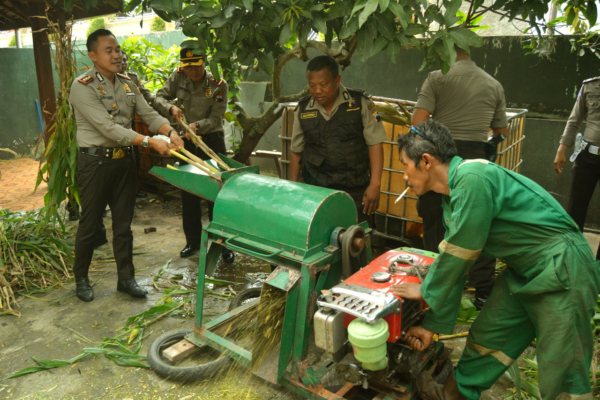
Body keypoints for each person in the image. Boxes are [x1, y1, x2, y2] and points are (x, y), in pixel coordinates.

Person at [391, 120, 600, 400]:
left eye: (405, 165)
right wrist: (431, 326)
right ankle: (454, 396)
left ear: (426, 161)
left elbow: (459, 254)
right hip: (524, 272)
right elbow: (457, 262)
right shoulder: (452, 199)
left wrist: (425, 289)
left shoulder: (472, 176)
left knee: (562, 369)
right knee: (486, 339)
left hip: (563, 266)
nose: (404, 175)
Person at [70, 29, 184, 302]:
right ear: (93, 55)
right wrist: (149, 142)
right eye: (109, 50)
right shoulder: (82, 86)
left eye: (118, 49)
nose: (116, 55)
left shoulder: (127, 83)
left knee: (123, 225)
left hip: (124, 164)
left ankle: (126, 278)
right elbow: (107, 128)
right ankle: (81, 278)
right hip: (95, 164)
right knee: (90, 223)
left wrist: (170, 132)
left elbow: (148, 112)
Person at [411, 46, 508, 310]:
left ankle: (433, 287)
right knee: (479, 222)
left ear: (445, 52)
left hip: (440, 158)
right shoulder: (493, 84)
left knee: (434, 218)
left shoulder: (436, 77)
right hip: (477, 160)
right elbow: (500, 130)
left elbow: (418, 122)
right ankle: (483, 293)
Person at [153, 48, 235, 263]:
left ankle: (223, 243)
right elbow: (158, 97)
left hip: (211, 142)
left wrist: (197, 125)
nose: (192, 70)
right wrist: (171, 108)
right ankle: (192, 241)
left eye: (196, 65)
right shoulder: (177, 77)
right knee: (188, 193)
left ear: (204, 63)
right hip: (186, 142)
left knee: (217, 195)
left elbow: (217, 120)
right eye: (188, 66)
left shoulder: (219, 84)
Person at [289, 55, 386, 225]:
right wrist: (292, 188)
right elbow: (296, 152)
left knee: (357, 240)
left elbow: (375, 143)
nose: (317, 90)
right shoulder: (302, 110)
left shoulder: (361, 103)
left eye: (323, 85)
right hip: (316, 190)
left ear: (336, 80)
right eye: (312, 86)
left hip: (355, 190)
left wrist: (375, 184)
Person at [554, 76, 600, 261]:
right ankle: (572, 260)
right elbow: (574, 120)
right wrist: (561, 149)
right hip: (587, 156)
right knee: (575, 210)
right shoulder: (590, 86)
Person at [121, 49, 155, 199]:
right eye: (120, 60)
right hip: (113, 128)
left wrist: (158, 101)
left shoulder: (132, 78)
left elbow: (145, 93)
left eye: (125, 60)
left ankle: (133, 189)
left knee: (135, 158)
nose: (123, 63)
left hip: (130, 125)